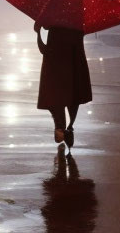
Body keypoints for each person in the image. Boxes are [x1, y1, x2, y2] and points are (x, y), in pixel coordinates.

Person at [34, 20, 91, 148]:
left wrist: (38, 32)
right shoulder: (77, 23)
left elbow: (44, 48)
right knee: (74, 95)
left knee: (55, 96)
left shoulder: (54, 21)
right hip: (74, 65)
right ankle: (69, 127)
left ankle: (60, 127)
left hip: (55, 65)